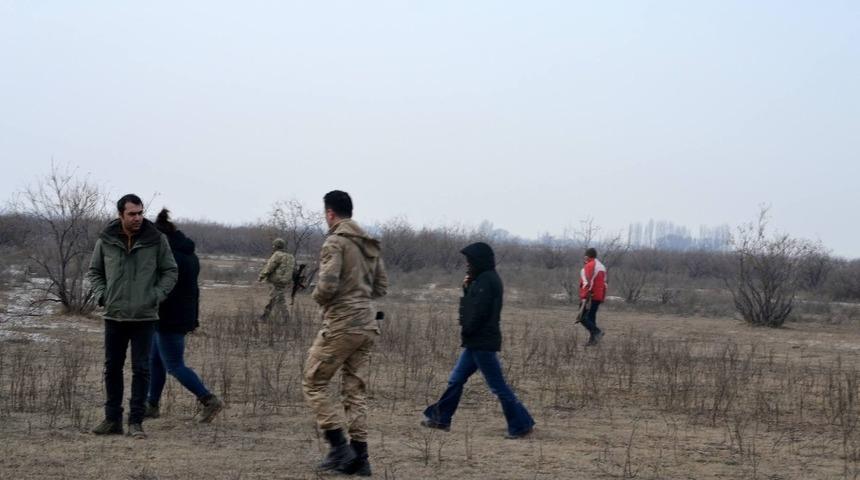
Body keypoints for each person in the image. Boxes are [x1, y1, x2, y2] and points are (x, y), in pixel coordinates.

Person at [303, 190, 388, 476]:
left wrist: (318, 297)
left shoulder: (335, 243)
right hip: (367, 323)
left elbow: (326, 287)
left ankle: (340, 449)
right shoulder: (369, 245)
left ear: (330, 213)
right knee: (354, 389)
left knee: (313, 382)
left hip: (342, 323)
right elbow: (381, 287)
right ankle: (361, 458)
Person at [421, 242, 535, 439]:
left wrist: (467, 328)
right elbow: (472, 306)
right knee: (456, 379)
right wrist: (467, 288)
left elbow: (476, 313)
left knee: (498, 386)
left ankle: (521, 424)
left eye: (470, 260)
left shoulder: (487, 281)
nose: (467, 264)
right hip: (475, 342)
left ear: (479, 260)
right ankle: (441, 418)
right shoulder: (481, 279)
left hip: (482, 343)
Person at [87, 194, 178, 439]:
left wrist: (156, 295)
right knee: (112, 368)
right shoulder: (106, 240)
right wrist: (103, 296)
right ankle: (112, 419)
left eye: (140, 213)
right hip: (114, 316)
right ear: (121, 215)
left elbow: (170, 270)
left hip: (144, 317)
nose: (137, 218)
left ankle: (136, 422)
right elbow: (95, 272)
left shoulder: (156, 239)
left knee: (141, 369)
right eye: (132, 214)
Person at [143, 209, 223, 423]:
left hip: (169, 318)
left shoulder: (170, 257)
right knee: (155, 361)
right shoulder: (187, 253)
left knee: (174, 365)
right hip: (177, 316)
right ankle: (151, 405)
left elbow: (163, 288)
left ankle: (209, 400)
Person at [258, 238, 295, 321]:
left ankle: (286, 318)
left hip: (276, 280)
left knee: (279, 299)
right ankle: (264, 316)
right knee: (274, 297)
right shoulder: (290, 256)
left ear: (275, 246)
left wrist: (261, 276)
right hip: (285, 280)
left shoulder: (277, 255)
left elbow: (270, 267)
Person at [579, 247, 608, 346]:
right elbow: (605, 284)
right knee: (591, 318)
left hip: (590, 296)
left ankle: (597, 332)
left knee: (581, 317)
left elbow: (587, 282)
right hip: (598, 296)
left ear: (587, 256)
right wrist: (602, 297)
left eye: (584, 256)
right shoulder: (602, 266)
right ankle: (593, 341)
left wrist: (585, 297)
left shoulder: (590, 265)